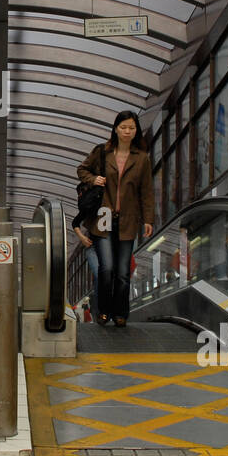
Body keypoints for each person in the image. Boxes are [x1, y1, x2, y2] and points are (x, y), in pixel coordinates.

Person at [77, 110, 154, 327]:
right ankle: (103, 311)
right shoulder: (102, 152)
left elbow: (146, 191)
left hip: (128, 220)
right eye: (123, 127)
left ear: (136, 130)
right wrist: (94, 179)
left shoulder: (141, 159)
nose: (127, 131)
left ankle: (121, 314)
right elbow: (81, 169)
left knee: (122, 271)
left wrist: (148, 219)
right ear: (116, 129)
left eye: (131, 127)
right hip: (103, 217)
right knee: (107, 267)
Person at [72, 212, 99, 320]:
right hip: (92, 246)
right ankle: (100, 312)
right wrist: (82, 238)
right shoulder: (93, 205)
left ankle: (102, 311)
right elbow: (75, 222)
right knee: (100, 274)